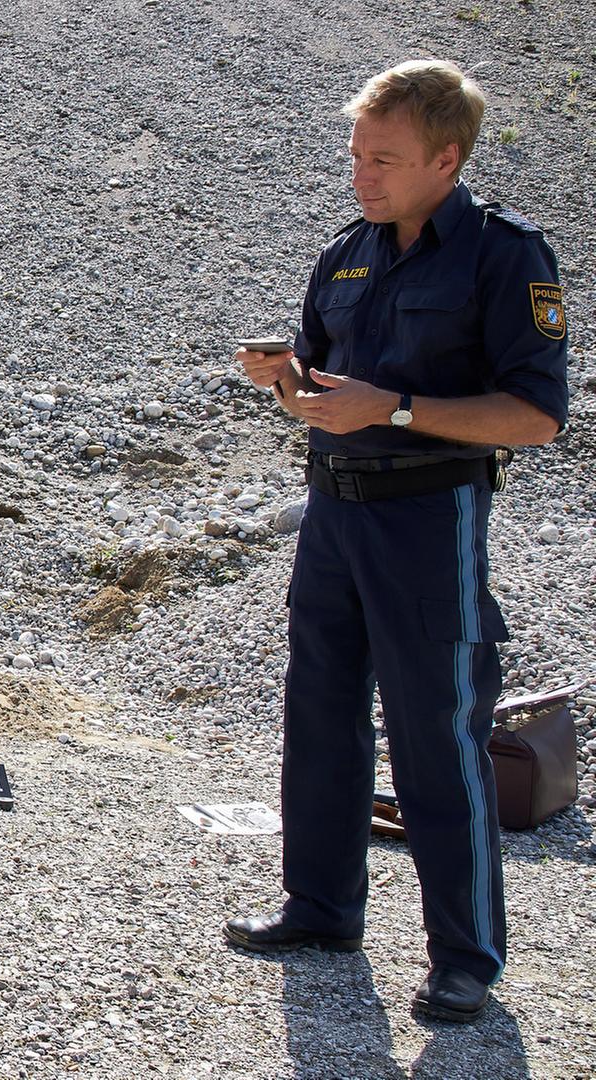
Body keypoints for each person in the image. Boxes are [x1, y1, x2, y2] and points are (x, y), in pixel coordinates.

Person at [227, 60, 569, 1024]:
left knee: (435, 734)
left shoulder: (505, 256)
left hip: (429, 518)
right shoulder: (347, 253)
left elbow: (537, 417)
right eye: (355, 156)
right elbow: (324, 387)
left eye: (383, 159)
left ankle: (465, 956)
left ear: (446, 159)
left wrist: (400, 409)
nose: (361, 176)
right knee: (320, 717)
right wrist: (287, 382)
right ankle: (321, 908)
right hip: (332, 514)